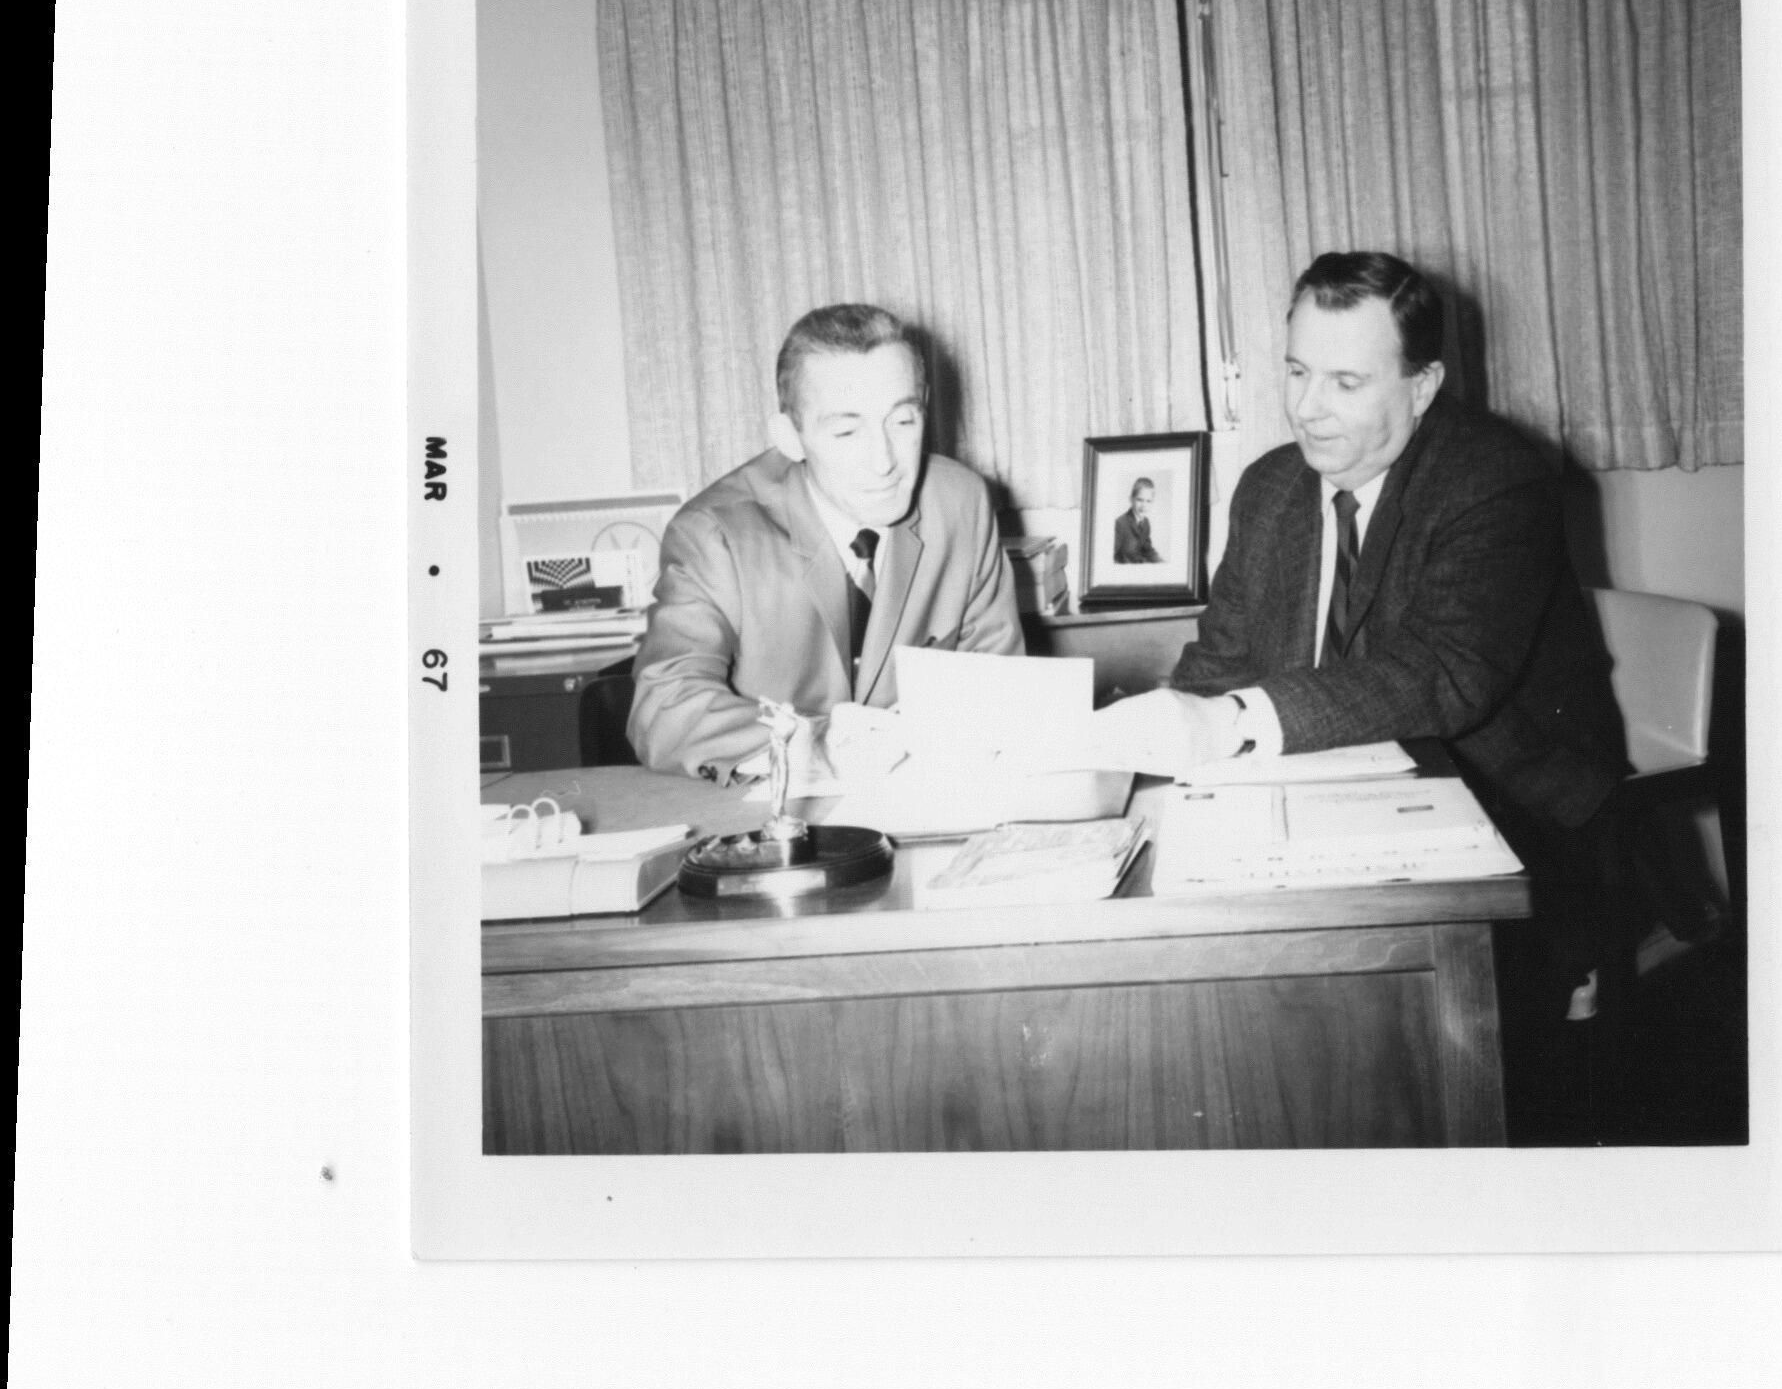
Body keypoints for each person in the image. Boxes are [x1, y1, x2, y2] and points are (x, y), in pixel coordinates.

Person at [1092, 250, 1631, 1140]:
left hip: (1519, 810)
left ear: (1423, 387)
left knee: (1439, 1076)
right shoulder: (1271, 487)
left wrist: (1234, 720)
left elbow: (1443, 671)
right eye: (1297, 371)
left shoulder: (1497, 477)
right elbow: (1219, 660)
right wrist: (1154, 773)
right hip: (1325, 812)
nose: (1308, 406)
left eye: (1345, 381)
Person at [627, 304, 1024, 779]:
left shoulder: (961, 503)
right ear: (790, 437)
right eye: (846, 431)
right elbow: (665, 709)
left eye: (903, 422)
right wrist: (816, 746)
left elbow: (1003, 687)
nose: (884, 462)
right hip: (771, 805)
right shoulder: (716, 534)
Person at [1112, 478, 1163, 564]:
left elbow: (1148, 550)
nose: (1144, 505)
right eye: (1140, 500)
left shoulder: (1146, 523)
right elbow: (1110, 557)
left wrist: (1162, 562)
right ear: (1131, 499)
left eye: (1148, 501)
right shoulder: (1120, 524)